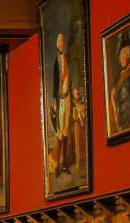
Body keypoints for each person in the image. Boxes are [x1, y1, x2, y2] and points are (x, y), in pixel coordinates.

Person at [49, 32, 76, 176]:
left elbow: (69, 79)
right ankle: (58, 164)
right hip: (59, 100)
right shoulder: (56, 62)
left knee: (66, 131)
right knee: (59, 133)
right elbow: (55, 82)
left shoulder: (66, 59)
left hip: (67, 98)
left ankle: (64, 163)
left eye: (62, 40)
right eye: (58, 40)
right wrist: (54, 100)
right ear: (56, 44)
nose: (61, 42)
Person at [110, 32, 130, 133]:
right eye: (120, 55)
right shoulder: (122, 75)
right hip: (122, 122)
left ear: (128, 55)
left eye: (123, 55)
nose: (121, 58)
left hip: (128, 122)